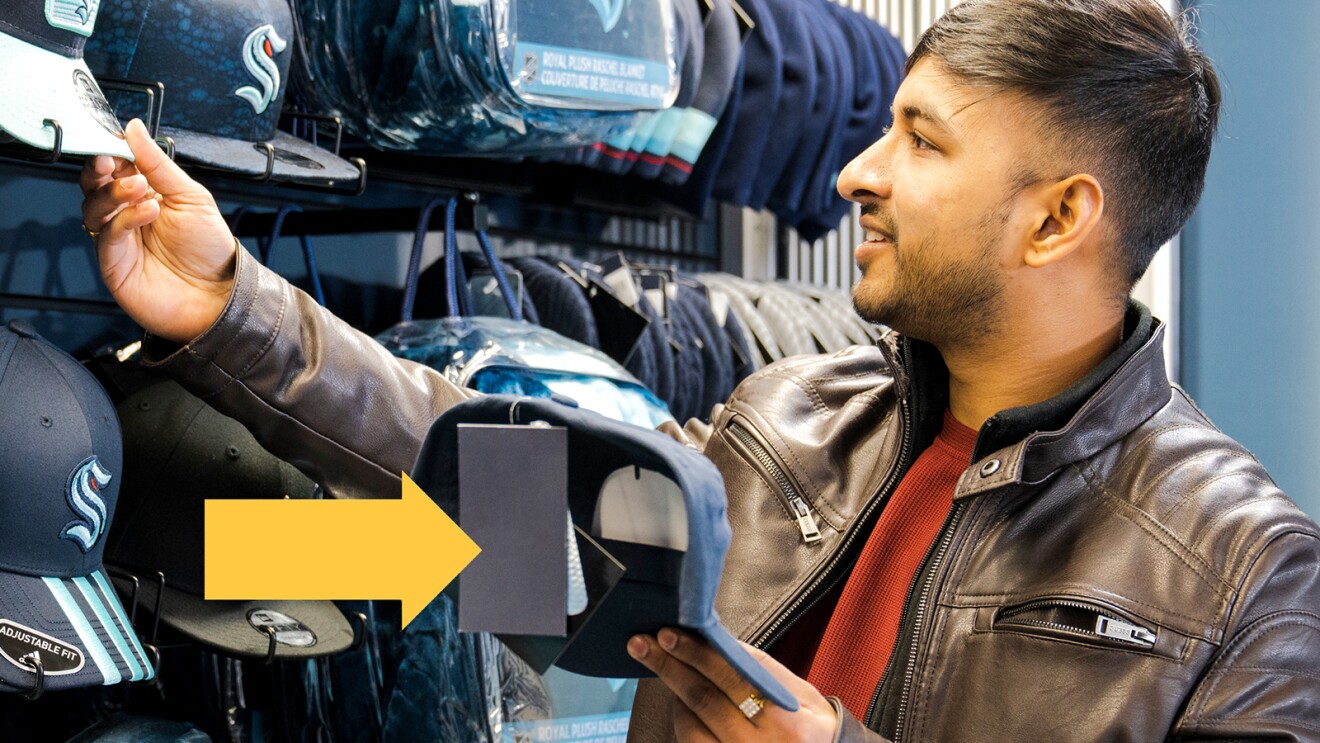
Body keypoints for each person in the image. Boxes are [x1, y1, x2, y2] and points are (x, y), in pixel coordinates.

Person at [80, 0, 1320, 740]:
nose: (855, 174)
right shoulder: (789, 421)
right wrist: (228, 316)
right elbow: (484, 514)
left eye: (921, 141)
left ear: (1057, 220)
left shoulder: (1241, 574)